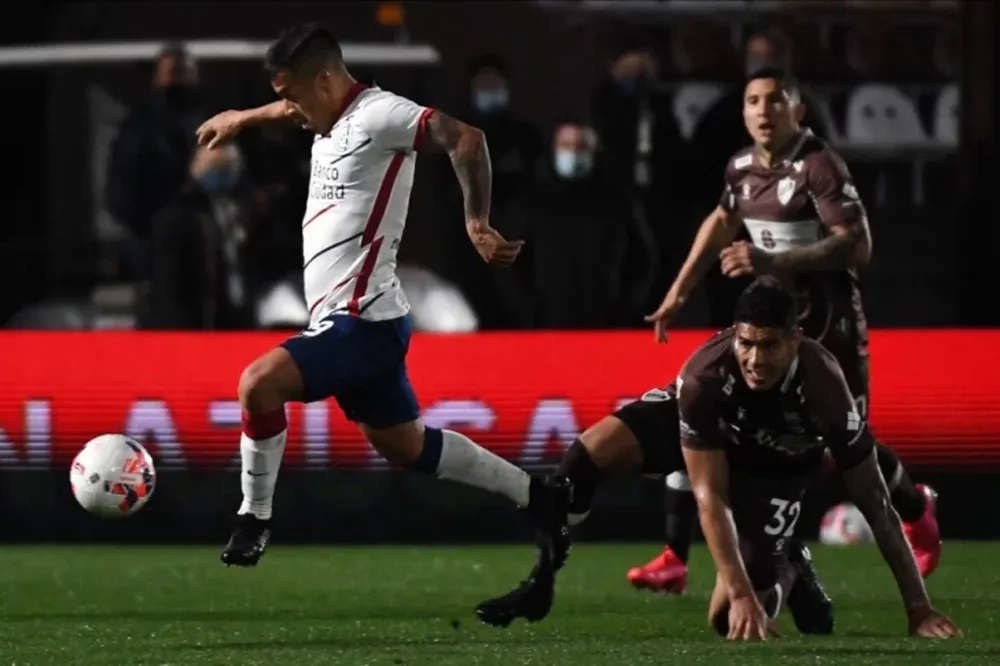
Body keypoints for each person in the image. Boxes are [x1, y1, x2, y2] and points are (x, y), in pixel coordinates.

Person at [193, 24, 570, 568]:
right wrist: (243, 118)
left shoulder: (380, 114)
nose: (289, 111)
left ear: (323, 80)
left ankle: (253, 517)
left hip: (358, 322)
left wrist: (476, 221)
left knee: (257, 385)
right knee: (408, 447)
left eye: (291, 96)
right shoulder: (328, 110)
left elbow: (466, 137)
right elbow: (288, 110)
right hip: (373, 318)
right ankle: (540, 496)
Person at [477, 278, 962, 641]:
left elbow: (875, 504)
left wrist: (917, 608)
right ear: (734, 334)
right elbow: (708, 496)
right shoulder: (706, 375)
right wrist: (741, 593)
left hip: (776, 465)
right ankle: (541, 578)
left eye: (769, 346)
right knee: (589, 453)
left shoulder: (825, 388)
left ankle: (789, 563)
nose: (754, 359)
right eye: (746, 343)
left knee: (724, 619)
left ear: (795, 341)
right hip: (721, 430)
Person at [626, 68, 941, 595]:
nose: (764, 111)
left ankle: (916, 507)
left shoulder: (820, 166)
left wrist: (773, 256)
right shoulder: (741, 167)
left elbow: (857, 246)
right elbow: (722, 220)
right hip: (770, 328)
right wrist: (679, 292)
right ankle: (675, 554)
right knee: (702, 414)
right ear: (744, 112)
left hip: (829, 331)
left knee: (846, 451)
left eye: (776, 101)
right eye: (753, 100)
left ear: (798, 110)